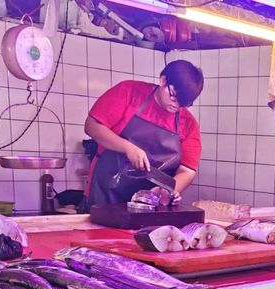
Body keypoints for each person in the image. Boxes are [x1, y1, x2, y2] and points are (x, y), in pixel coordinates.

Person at [83, 60, 204, 210]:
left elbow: (187, 170)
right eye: (173, 97)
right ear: (163, 80)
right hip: (107, 194)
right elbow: (92, 126)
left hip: (149, 204)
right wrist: (128, 148)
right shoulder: (129, 92)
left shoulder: (189, 124)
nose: (176, 106)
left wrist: (166, 191)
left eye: (184, 103)